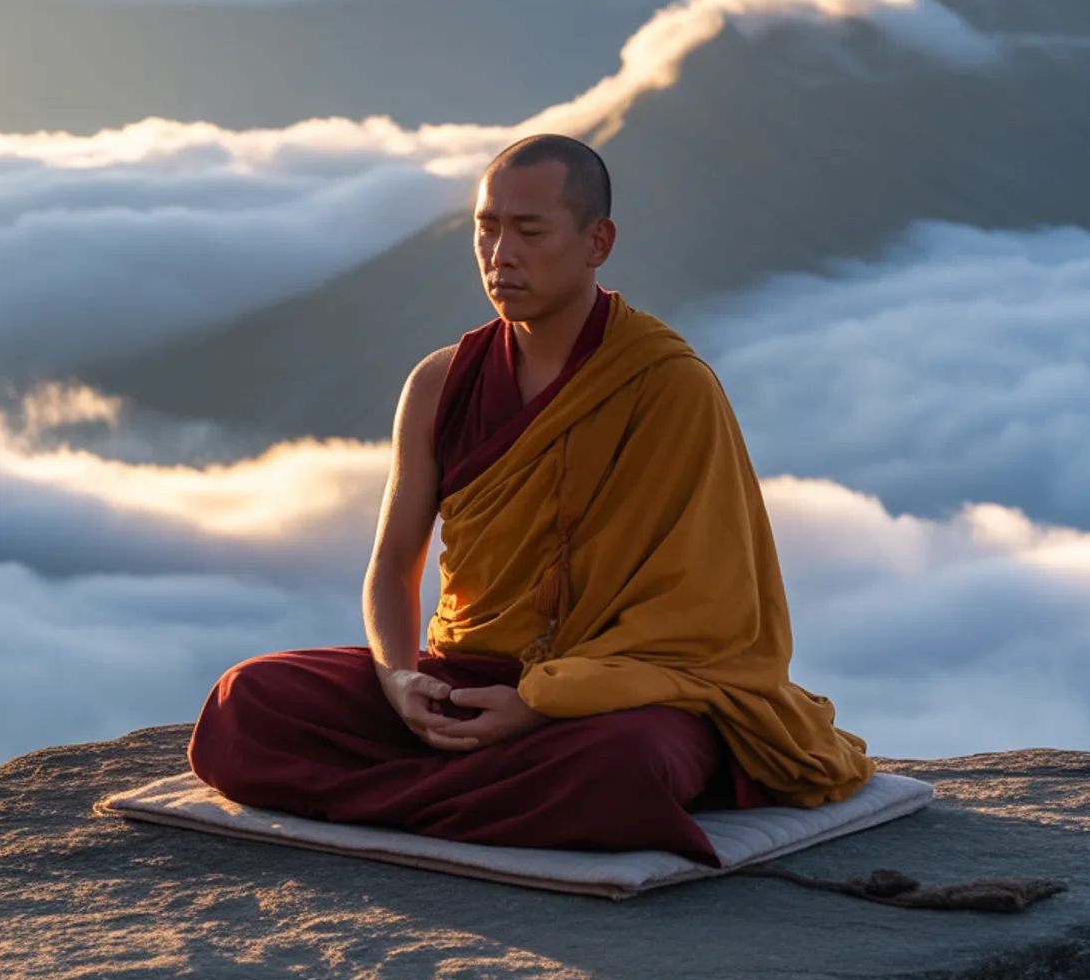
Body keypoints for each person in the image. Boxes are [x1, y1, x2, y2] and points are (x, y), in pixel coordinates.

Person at [188, 133, 873, 863]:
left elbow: (710, 622)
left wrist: (540, 703)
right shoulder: (439, 384)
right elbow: (393, 567)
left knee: (623, 768)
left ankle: (405, 797)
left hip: (609, 696)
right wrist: (397, 679)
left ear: (596, 241)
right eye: (487, 229)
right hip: (462, 680)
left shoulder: (669, 385)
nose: (500, 254)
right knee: (246, 701)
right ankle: (480, 795)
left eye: (530, 231)